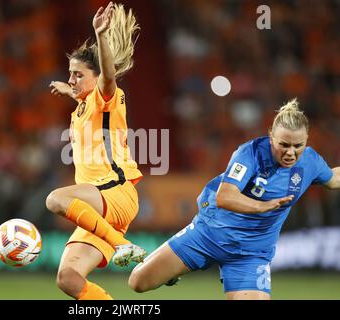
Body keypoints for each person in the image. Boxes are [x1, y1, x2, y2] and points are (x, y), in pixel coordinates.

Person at [128, 98, 340, 300]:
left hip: (250, 255)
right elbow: (225, 197)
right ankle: (175, 271)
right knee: (138, 282)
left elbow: (333, 179)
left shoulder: (311, 162)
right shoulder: (250, 153)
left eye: (298, 146)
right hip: (207, 235)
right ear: (270, 137)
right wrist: (261, 206)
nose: (291, 153)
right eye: (284, 145)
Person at [46, 2, 145, 300]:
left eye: (78, 75)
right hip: (101, 212)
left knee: (56, 199)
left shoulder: (107, 97)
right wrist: (71, 91)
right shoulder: (84, 107)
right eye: (70, 74)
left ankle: (122, 246)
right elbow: (86, 103)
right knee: (68, 278)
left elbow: (107, 78)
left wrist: (100, 36)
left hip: (114, 193)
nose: (72, 80)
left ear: (96, 75)